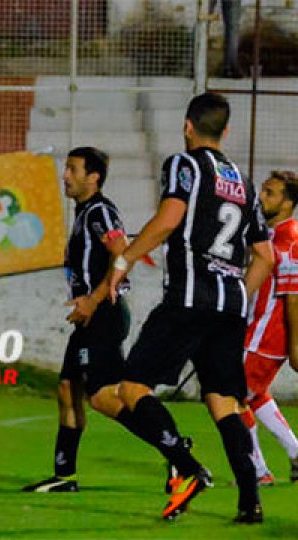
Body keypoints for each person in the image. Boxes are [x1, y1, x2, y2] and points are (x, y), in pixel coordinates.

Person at [109, 92, 274, 522]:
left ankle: (186, 466)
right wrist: (238, 294)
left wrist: (123, 260)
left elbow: (168, 220)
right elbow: (266, 256)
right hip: (230, 305)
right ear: (226, 130)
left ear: (187, 126)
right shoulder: (244, 180)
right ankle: (249, 501)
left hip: (188, 299)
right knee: (224, 401)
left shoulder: (184, 164)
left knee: (132, 388)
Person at [23, 147, 186, 493]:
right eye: (65, 168)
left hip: (103, 315)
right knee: (68, 389)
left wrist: (93, 300)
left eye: (72, 169)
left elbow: (120, 251)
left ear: (93, 177)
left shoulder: (99, 211)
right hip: (91, 317)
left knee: (102, 396)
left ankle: (174, 450)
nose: (65, 176)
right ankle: (64, 476)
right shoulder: (86, 213)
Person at [242, 170, 298, 485]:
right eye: (263, 191)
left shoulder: (290, 239)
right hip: (256, 332)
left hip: (265, 338)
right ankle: (295, 453)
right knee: (255, 395)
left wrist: (294, 346)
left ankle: (257, 472)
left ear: (288, 203)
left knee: (231, 397)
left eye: (270, 193)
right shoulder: (272, 235)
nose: (262, 198)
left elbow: (293, 298)